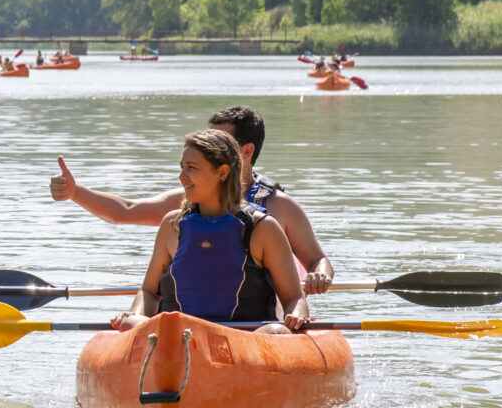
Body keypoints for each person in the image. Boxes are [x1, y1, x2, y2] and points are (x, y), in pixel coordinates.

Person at [49, 105, 333, 294]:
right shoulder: (187, 202)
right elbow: (126, 211)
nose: (207, 147)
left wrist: (320, 274)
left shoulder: (279, 208)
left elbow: (317, 259)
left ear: (246, 152)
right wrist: (75, 192)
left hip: (256, 320)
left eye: (219, 141)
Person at [111, 130, 308, 334]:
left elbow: (294, 298)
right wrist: (136, 315)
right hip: (178, 341)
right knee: (131, 324)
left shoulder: (263, 228)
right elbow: (149, 292)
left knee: (276, 331)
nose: (182, 177)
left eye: (191, 168)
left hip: (246, 341)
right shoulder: (172, 224)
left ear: (222, 172)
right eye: (182, 167)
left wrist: (297, 315)